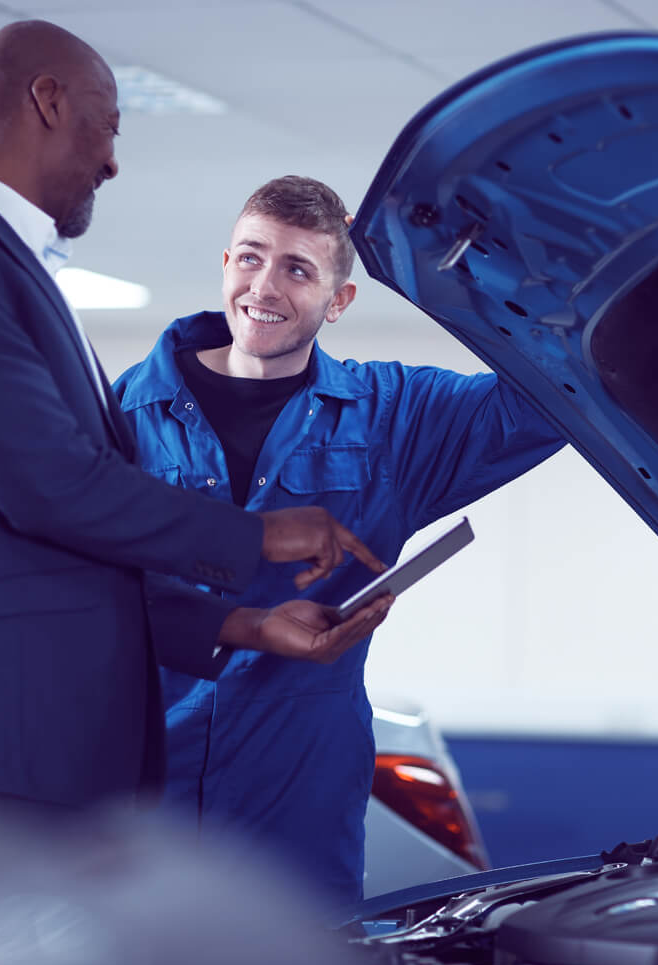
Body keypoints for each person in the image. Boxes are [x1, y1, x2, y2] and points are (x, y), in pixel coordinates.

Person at [0, 24, 392, 824]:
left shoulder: (5, 263)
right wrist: (260, 536)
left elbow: (68, 550)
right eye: (108, 128)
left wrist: (242, 622)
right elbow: (53, 486)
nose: (111, 160)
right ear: (47, 100)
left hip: (31, 734)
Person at [112, 176, 566, 903]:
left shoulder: (395, 418)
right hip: (138, 789)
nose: (265, 285)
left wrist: (469, 264)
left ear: (340, 299)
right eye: (252, 258)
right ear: (225, 262)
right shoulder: (123, 413)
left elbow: (549, 395)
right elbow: (84, 588)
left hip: (297, 798)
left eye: (298, 269)